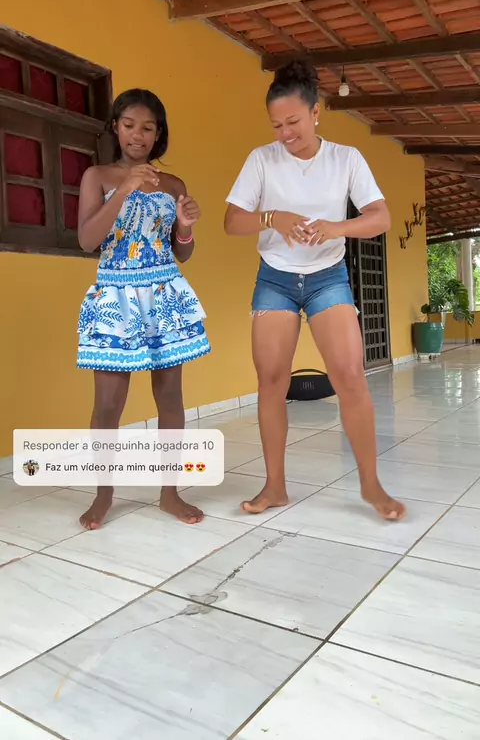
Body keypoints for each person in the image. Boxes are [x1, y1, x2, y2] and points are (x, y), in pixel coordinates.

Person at [224, 61, 405, 521]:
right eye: (277, 125)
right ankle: (275, 487)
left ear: (316, 112)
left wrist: (334, 227)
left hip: (328, 277)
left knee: (350, 376)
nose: (285, 134)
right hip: (275, 279)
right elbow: (232, 221)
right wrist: (272, 218)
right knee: (271, 382)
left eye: (293, 122)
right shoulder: (262, 160)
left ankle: (371, 486)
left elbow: (380, 217)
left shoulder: (346, 159)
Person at [76, 88, 210, 528]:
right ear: (115, 128)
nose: (138, 135)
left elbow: (181, 252)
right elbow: (88, 240)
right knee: (107, 404)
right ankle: (103, 495)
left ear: (158, 134)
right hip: (115, 298)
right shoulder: (97, 176)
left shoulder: (173, 185)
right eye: (130, 125)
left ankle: (170, 493)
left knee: (170, 398)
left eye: (148, 128)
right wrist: (125, 188)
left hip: (164, 297)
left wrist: (185, 227)